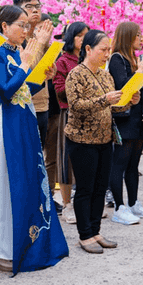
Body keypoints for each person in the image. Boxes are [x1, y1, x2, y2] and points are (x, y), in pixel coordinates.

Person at [0, 5, 68, 274]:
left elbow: (23, 89)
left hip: (25, 122)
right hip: (6, 126)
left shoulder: (17, 52)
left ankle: (26, 243)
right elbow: (7, 92)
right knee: (9, 184)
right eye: (21, 24)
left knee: (28, 181)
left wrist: (42, 77)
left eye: (26, 25)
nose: (26, 30)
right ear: (4, 27)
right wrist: (28, 61)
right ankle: (3, 250)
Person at [65, 30, 128, 253]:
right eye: (103, 49)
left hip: (104, 138)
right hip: (82, 140)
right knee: (85, 188)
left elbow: (113, 106)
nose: (106, 54)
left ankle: (95, 230)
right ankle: (84, 235)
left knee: (101, 187)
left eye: (108, 49)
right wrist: (105, 99)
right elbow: (76, 106)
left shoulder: (105, 75)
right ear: (88, 49)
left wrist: (128, 100)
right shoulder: (75, 74)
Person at [108, 22, 143, 225]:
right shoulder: (117, 59)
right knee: (120, 163)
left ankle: (134, 202)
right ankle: (119, 206)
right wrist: (142, 70)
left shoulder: (133, 59)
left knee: (134, 164)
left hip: (138, 117)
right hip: (124, 118)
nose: (141, 39)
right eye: (137, 35)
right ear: (127, 37)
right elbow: (123, 88)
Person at [52, 21, 88, 224]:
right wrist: (80, 90)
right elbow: (59, 90)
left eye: (86, 35)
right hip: (69, 114)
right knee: (66, 160)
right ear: (71, 38)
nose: (83, 39)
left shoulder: (89, 59)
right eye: (79, 35)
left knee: (86, 159)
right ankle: (67, 205)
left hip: (90, 114)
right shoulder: (63, 61)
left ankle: (83, 203)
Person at [12, 0, 54, 147]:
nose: (35, 10)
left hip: (43, 104)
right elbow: (27, 71)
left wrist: (51, 72)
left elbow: (44, 69)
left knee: (38, 155)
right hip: (25, 105)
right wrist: (41, 43)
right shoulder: (16, 40)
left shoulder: (38, 38)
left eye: (37, 6)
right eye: (29, 7)